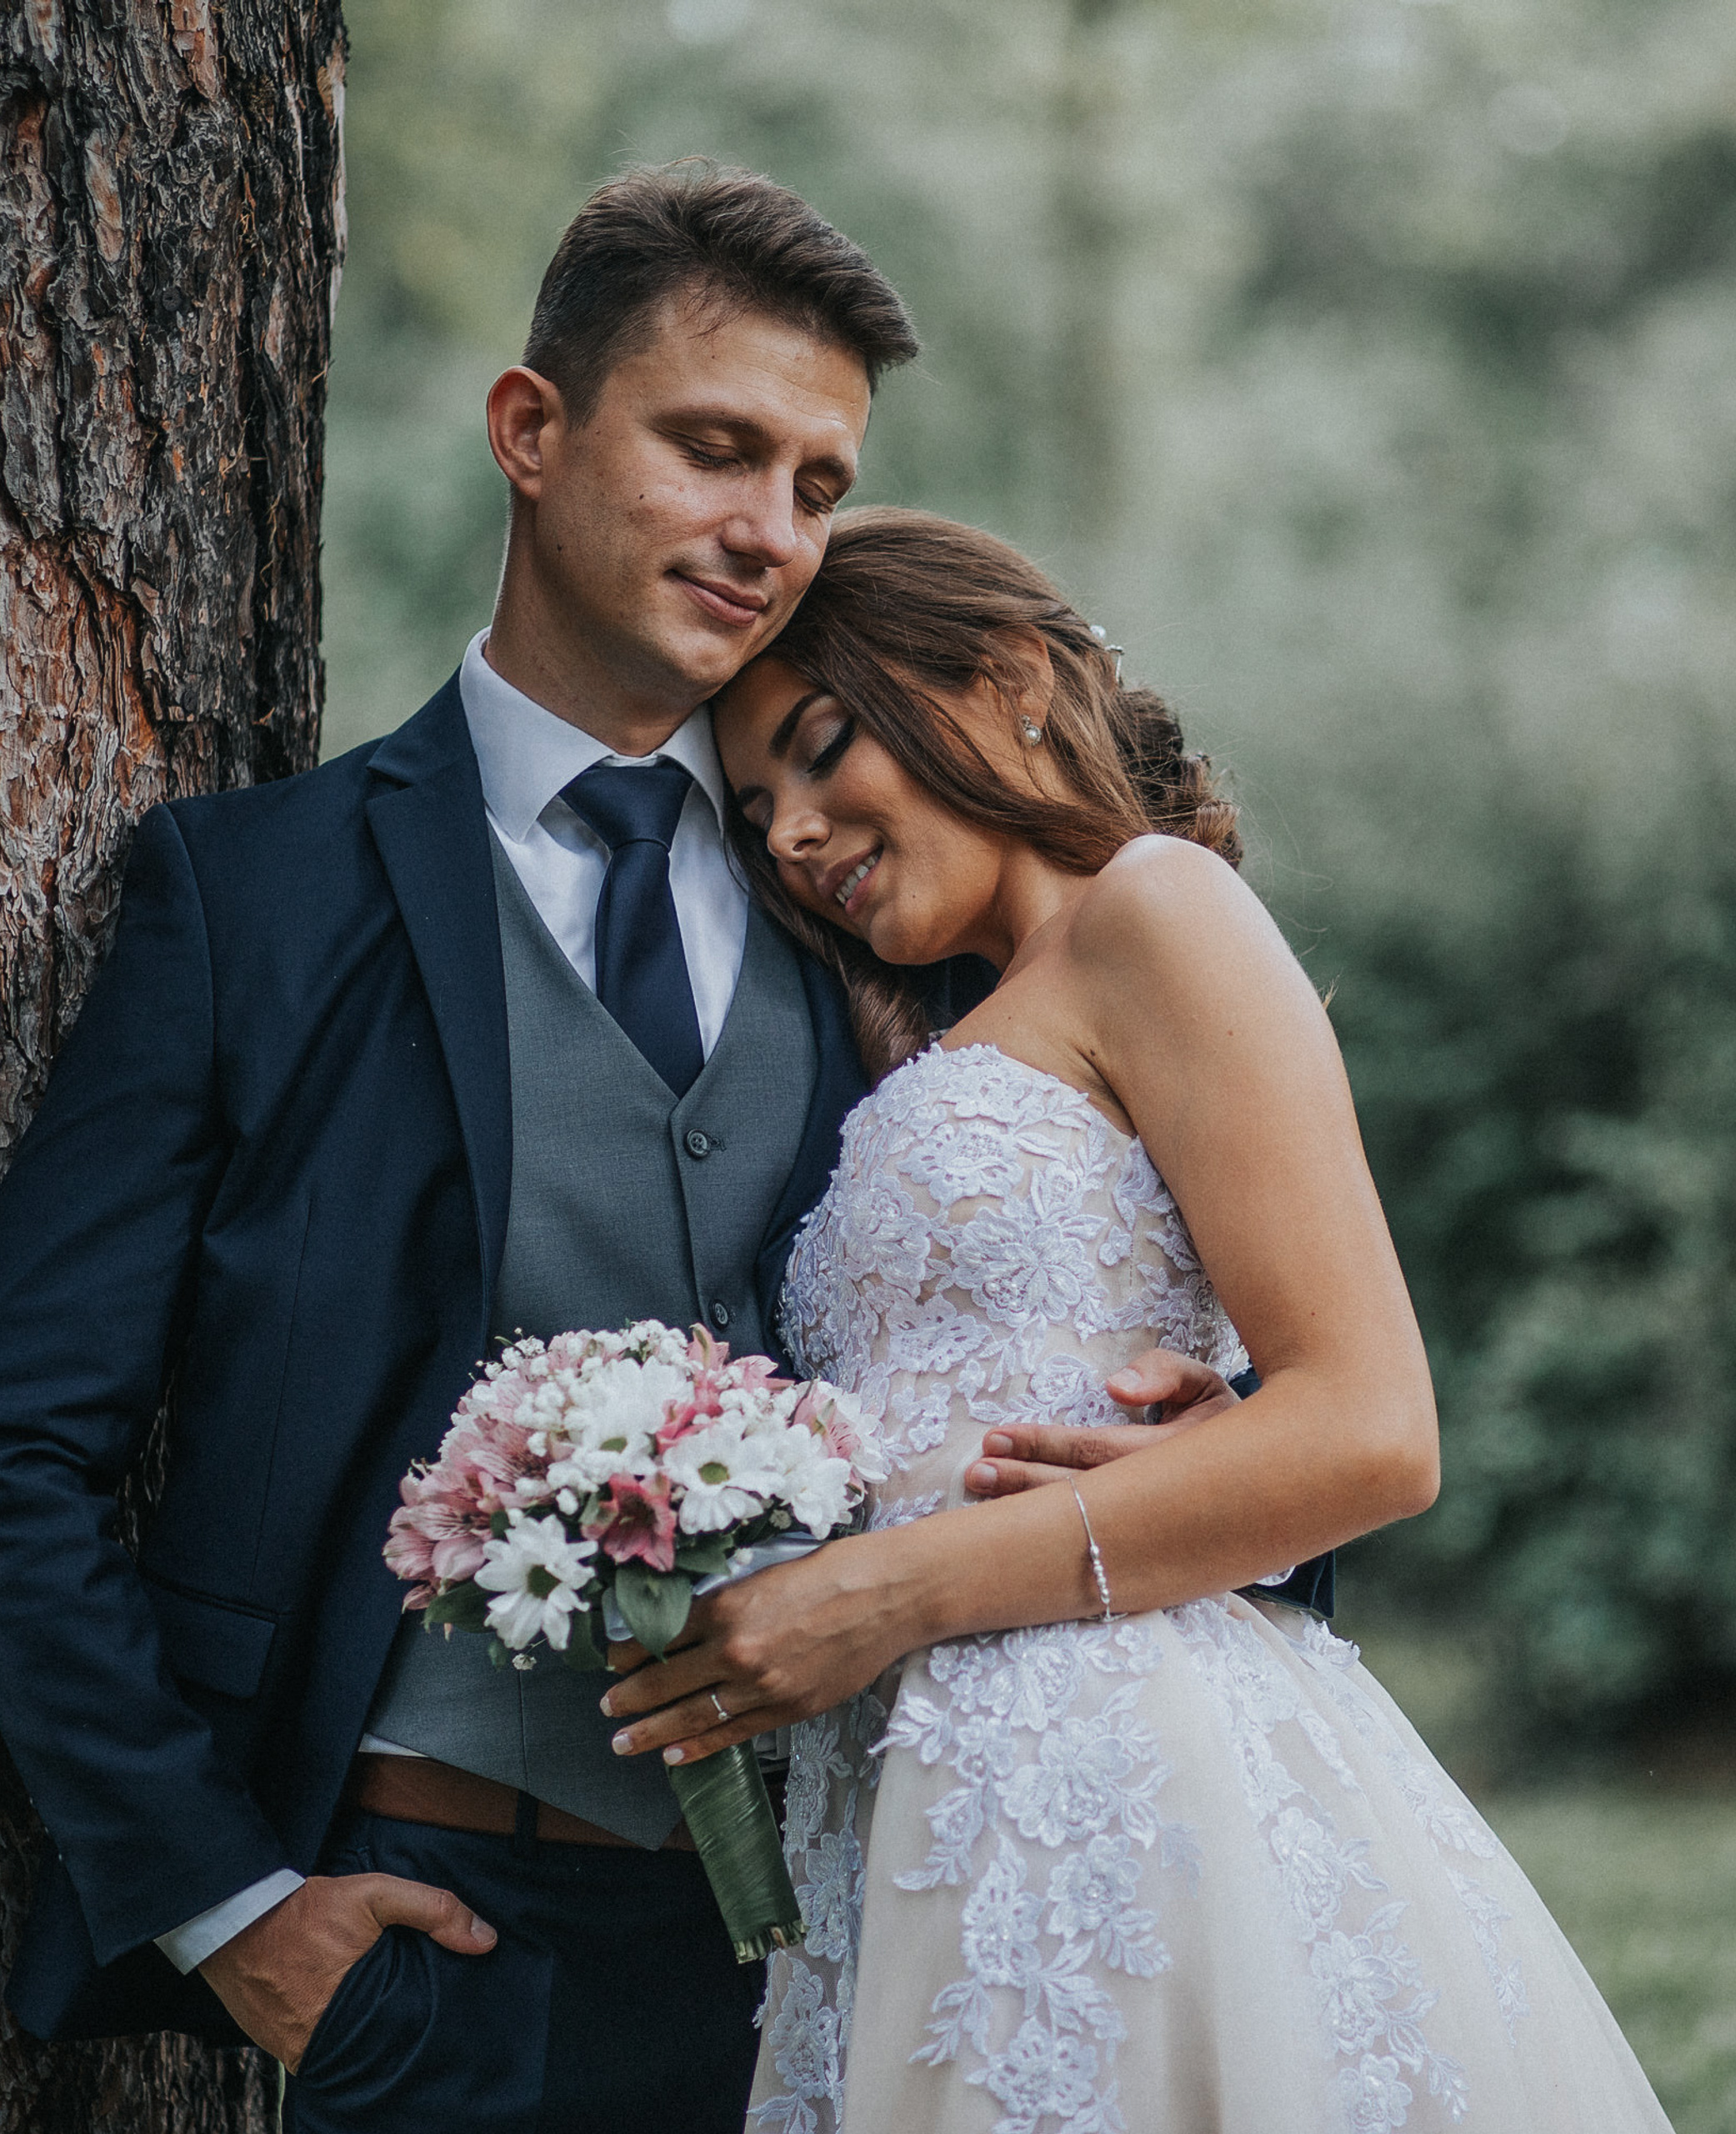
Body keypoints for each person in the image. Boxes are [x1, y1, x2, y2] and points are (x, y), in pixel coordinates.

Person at [0, 166, 1280, 2134]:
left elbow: (1223, 1314)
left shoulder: (890, 897)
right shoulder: (249, 906)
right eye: (715, 448)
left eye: (819, 484)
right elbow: (21, 1441)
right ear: (531, 431)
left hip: (899, 1915)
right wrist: (224, 1905)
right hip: (447, 1947)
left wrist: (1200, 1417)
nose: (770, 532)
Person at [612, 505, 1678, 2130]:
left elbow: (1374, 1425)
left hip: (1113, 1770)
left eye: (825, 753)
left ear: (1010, 676)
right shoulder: (949, 1028)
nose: (796, 833)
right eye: (757, 809)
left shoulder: (1154, 910)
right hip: (918, 1800)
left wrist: (885, 1588)